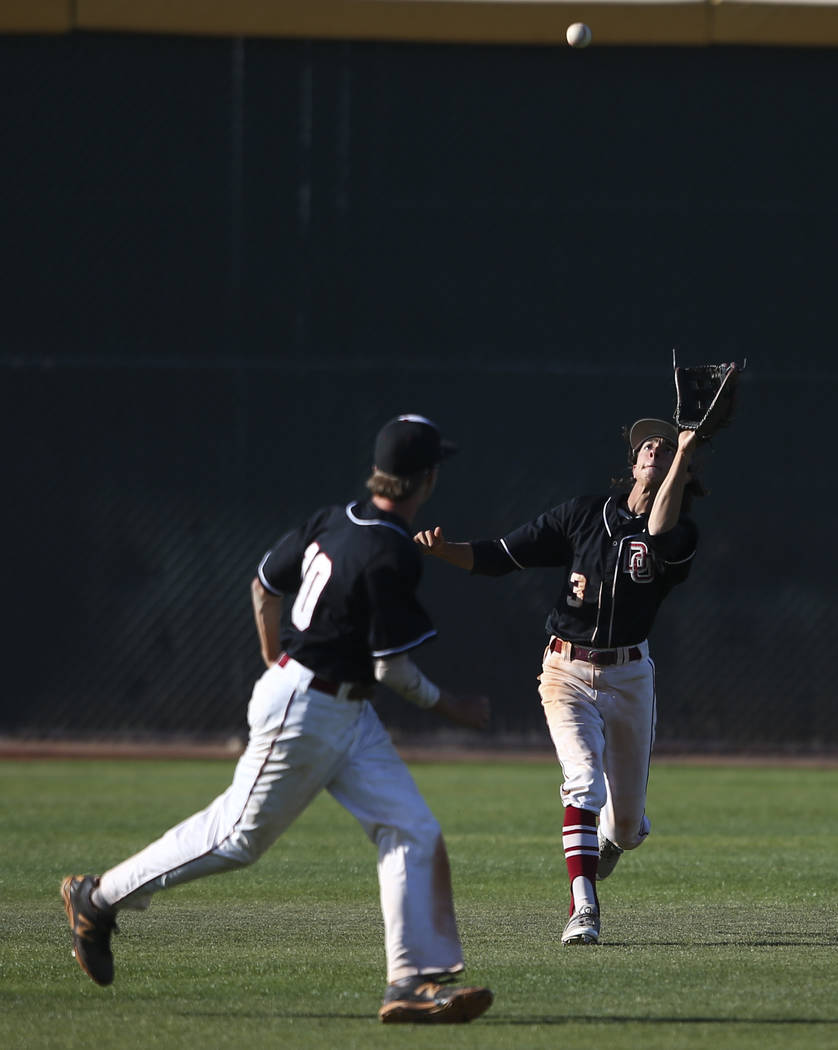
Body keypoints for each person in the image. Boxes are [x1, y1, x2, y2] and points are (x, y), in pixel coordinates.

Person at [61, 413, 494, 1025]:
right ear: (426, 481)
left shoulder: (334, 520)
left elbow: (265, 582)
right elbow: (393, 669)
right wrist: (454, 707)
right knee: (237, 837)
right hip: (309, 708)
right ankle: (97, 898)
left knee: (411, 828)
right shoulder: (392, 551)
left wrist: (273, 655)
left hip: (340, 709)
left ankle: (409, 982)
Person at [414, 419, 701, 947]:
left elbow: (657, 533)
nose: (655, 446)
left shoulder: (681, 532)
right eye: (646, 443)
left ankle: (614, 838)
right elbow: (501, 556)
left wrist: (682, 455)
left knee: (627, 827)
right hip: (565, 668)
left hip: (630, 676)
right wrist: (443, 550)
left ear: (679, 471)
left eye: (665, 444)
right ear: (633, 461)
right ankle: (583, 907)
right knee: (585, 781)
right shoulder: (583, 515)